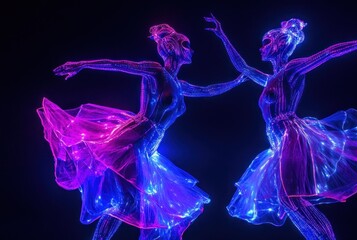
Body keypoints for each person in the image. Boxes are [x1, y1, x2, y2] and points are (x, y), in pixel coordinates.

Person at [37, 23, 246, 240]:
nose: (191, 50)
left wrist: (239, 80)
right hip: (133, 139)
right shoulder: (156, 71)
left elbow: (208, 90)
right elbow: (117, 65)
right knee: (129, 201)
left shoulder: (179, 85)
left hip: (148, 147)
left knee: (129, 202)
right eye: (186, 44)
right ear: (172, 46)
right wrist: (82, 64)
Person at [205, 15, 357, 239]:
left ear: (281, 44)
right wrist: (222, 35)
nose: (262, 47)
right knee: (289, 200)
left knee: (290, 198)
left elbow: (327, 54)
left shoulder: (292, 69)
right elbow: (243, 67)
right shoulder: (269, 78)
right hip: (277, 141)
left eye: (267, 42)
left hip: (291, 135)